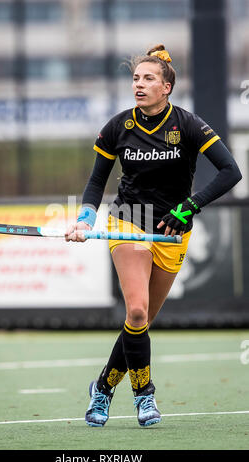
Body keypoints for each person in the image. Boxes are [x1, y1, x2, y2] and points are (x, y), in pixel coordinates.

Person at [65, 44, 242, 427]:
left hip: (171, 231)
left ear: (167, 87)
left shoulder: (189, 125)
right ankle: (145, 397)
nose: (139, 85)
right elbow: (97, 181)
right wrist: (84, 219)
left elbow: (231, 172)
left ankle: (102, 388)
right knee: (138, 309)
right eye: (135, 78)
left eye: (148, 79)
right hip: (129, 219)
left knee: (137, 322)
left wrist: (189, 207)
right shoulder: (118, 126)